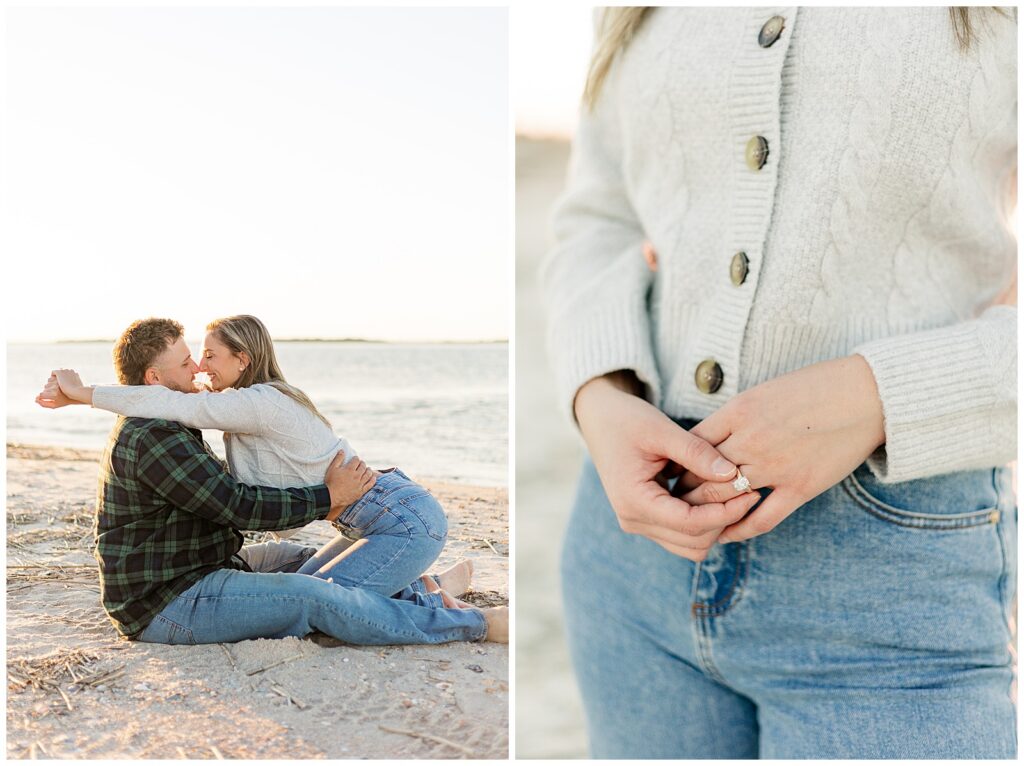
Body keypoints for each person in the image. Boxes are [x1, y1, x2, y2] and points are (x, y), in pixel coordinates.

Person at [543, 7, 1015, 759]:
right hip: (627, 564)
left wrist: (876, 396)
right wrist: (601, 393)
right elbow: (601, 217)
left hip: (892, 592)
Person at [37, 317, 508, 645]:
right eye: (186, 363)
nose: (198, 369)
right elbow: (237, 505)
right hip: (171, 600)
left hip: (203, 563)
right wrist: (328, 497)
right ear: (154, 378)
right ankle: (469, 624)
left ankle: (422, 588)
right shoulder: (153, 436)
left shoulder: (169, 422)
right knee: (316, 596)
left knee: (313, 557)